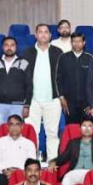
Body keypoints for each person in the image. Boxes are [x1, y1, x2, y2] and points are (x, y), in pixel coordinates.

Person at [22, 23, 63, 161]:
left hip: (53, 100)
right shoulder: (27, 53)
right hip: (32, 100)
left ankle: (52, 163)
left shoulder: (58, 52)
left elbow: (62, 76)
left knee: (52, 133)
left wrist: (61, 96)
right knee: (32, 134)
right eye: (40, 32)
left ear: (50, 35)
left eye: (46, 32)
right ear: (36, 35)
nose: (43, 34)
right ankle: (32, 163)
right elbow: (22, 76)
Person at [0, 36, 31, 136]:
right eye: (6, 45)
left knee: (16, 134)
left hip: (18, 106)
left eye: (12, 45)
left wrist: (27, 105)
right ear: (2, 47)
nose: (9, 47)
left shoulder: (24, 63)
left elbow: (29, 85)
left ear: (16, 47)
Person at [0, 114, 38, 185]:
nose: (14, 127)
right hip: (4, 172)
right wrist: (5, 171)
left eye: (17, 124)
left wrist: (17, 171)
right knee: (0, 181)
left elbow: (31, 162)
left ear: (22, 126)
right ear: (7, 126)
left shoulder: (29, 144)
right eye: (11, 124)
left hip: (22, 172)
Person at [57, 32, 93, 125]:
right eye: (74, 41)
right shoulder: (63, 57)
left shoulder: (89, 58)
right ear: (71, 43)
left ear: (84, 43)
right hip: (69, 102)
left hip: (86, 102)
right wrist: (62, 98)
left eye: (79, 41)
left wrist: (91, 103)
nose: (77, 44)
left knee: (87, 128)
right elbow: (59, 79)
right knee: (72, 128)